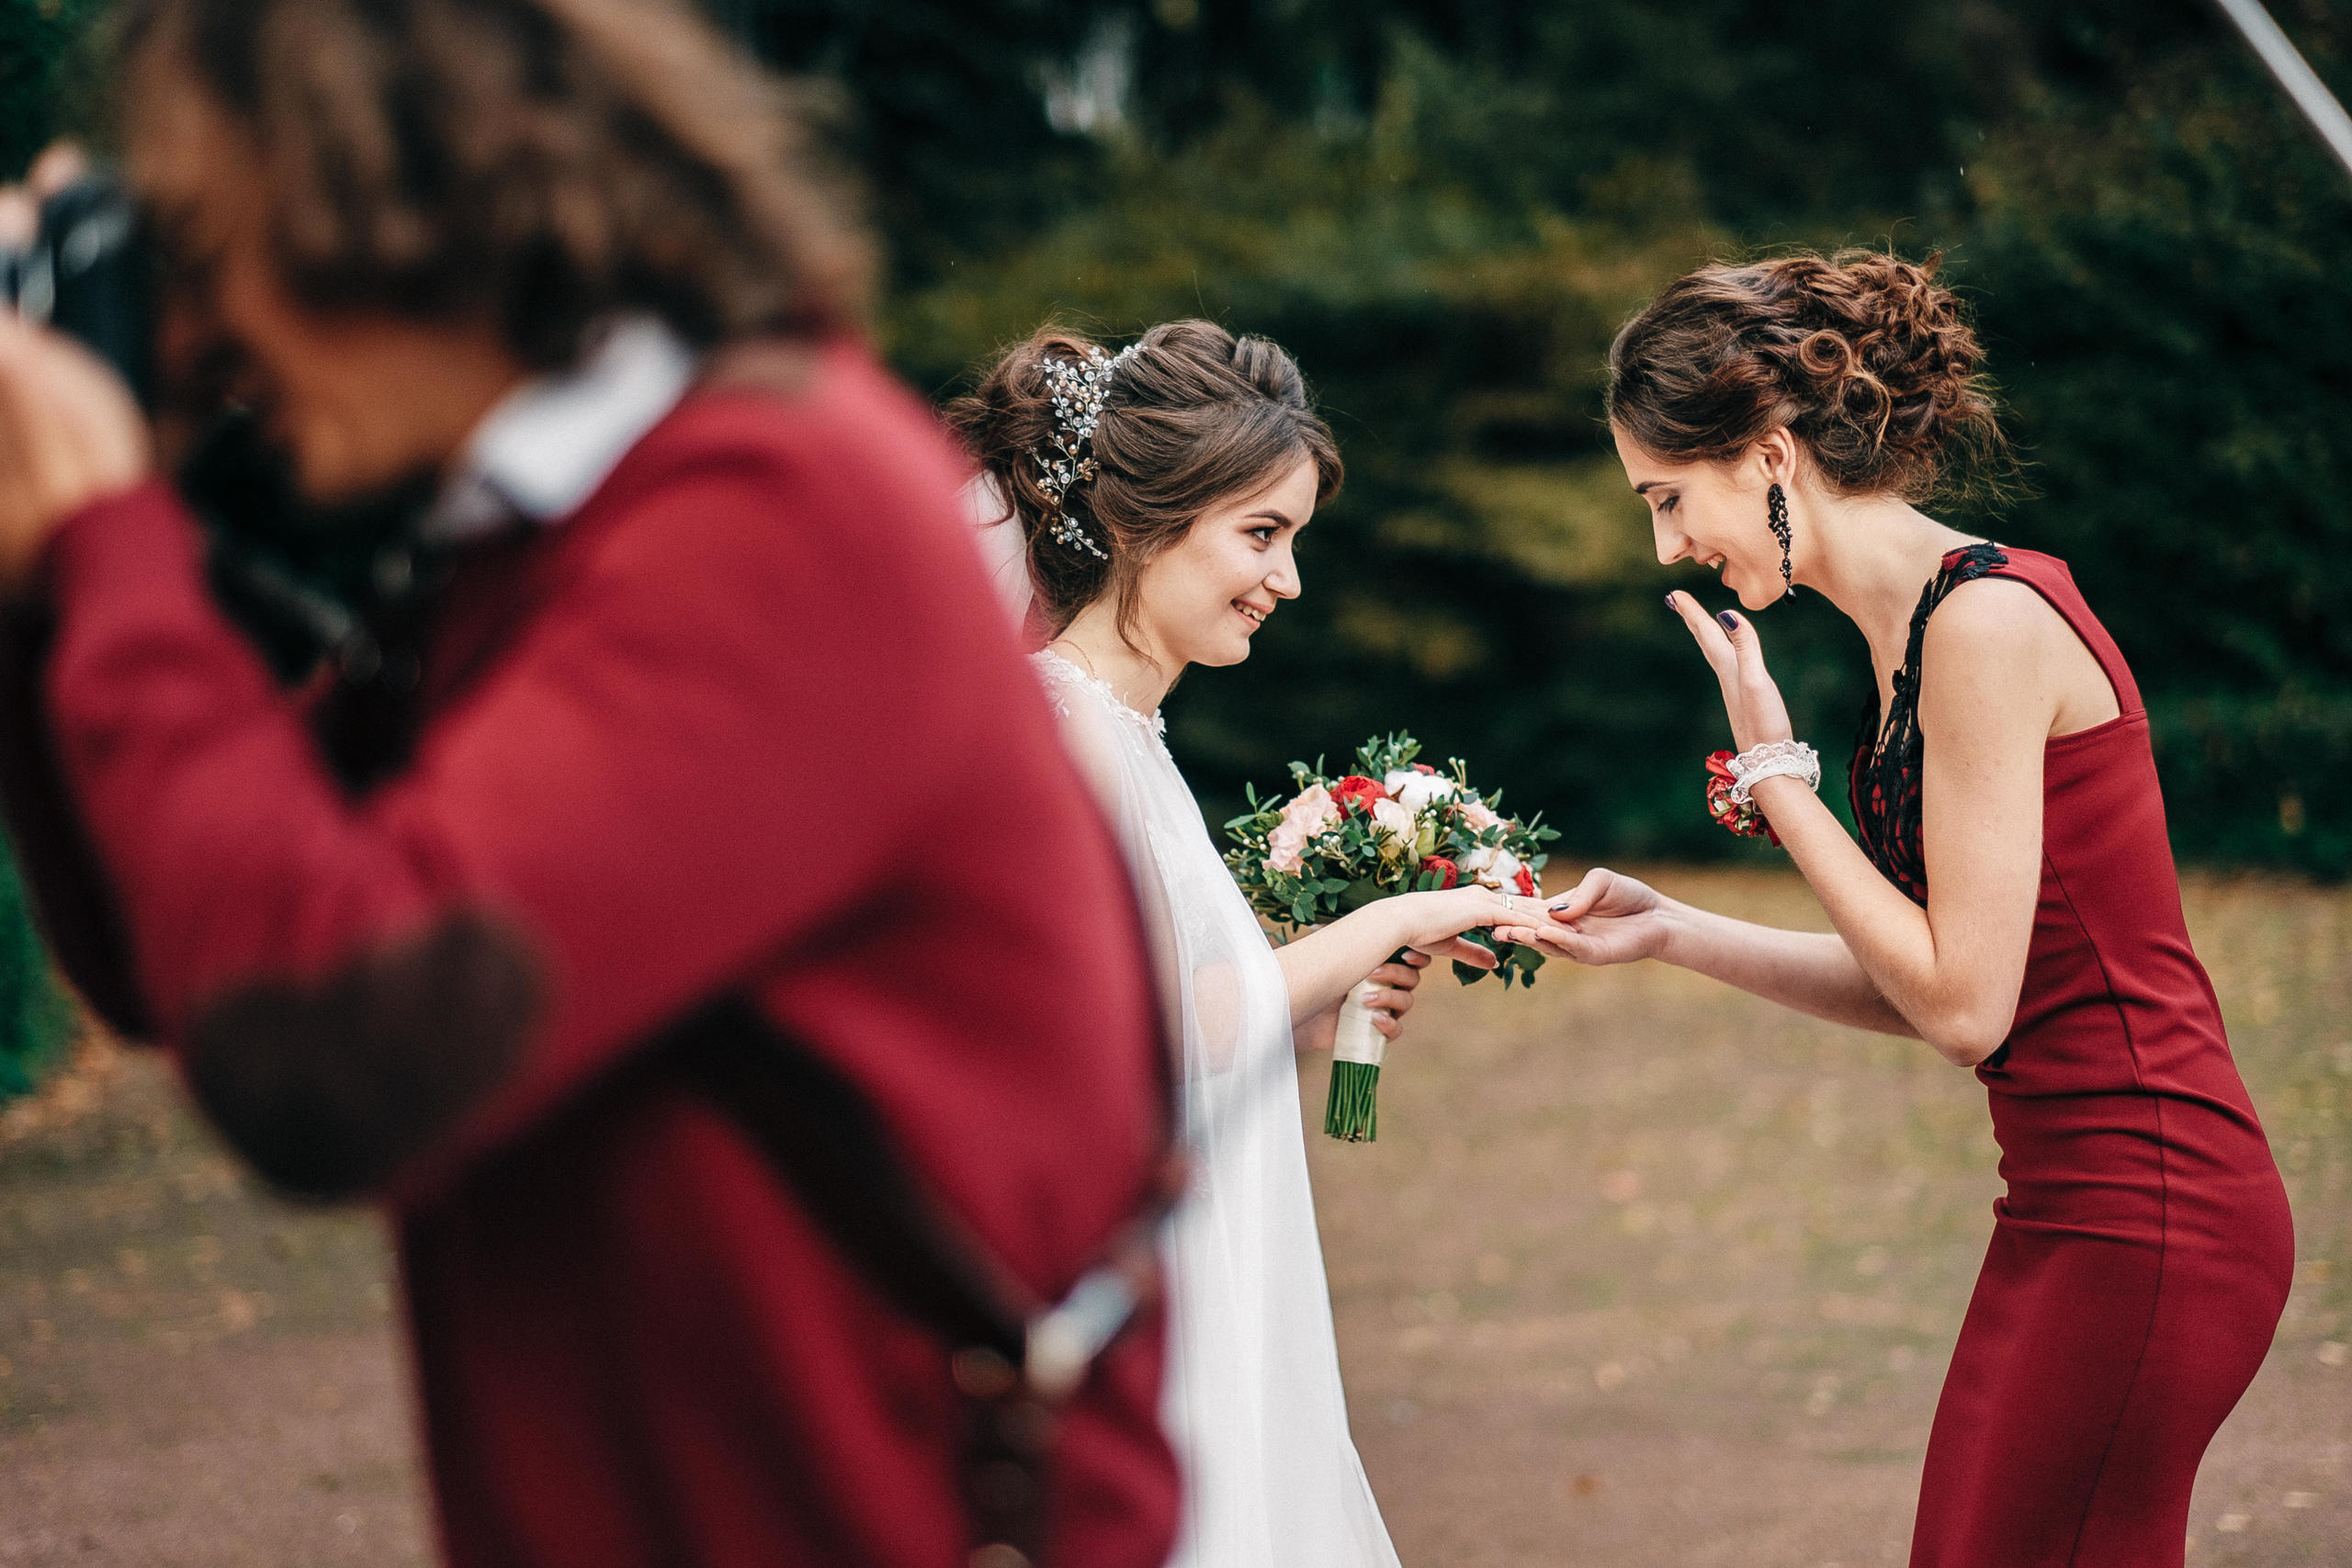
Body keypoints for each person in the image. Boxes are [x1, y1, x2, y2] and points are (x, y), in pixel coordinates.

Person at [0, 3, 1181, 1564]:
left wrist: (108, 540)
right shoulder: (555, 536)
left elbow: (334, 1041)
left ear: (393, 210)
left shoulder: (774, 512)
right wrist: (54, 589)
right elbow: (190, 956)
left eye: (216, 255)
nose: (202, 339)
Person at [1495, 250, 2294, 1568]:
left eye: (1668, 496)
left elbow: (1967, 1006)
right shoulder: (1909, 638)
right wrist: (1675, 932)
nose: (1665, 543)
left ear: (1765, 453)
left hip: (2152, 1210)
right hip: (2070, 1207)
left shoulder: (1984, 625)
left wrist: (1775, 775)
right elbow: (1938, 979)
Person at [952, 320, 1535, 1568]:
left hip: (1225, 1260)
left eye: (1294, 541)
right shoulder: (1068, 740)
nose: (1289, 580)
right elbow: (1174, 1028)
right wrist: (1388, 918)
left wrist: (1319, 1007)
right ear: (1132, 525)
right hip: (1167, 1296)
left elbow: (1172, 1039)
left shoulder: (1130, 740)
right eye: (1260, 535)